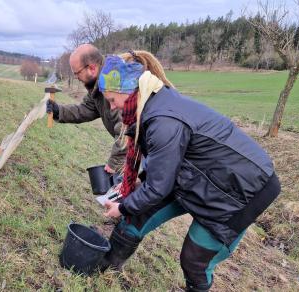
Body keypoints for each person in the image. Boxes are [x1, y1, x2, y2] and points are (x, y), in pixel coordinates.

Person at [98, 51, 281, 292]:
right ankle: (105, 267)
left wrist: (121, 206)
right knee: (137, 213)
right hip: (196, 177)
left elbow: (159, 187)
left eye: (112, 100)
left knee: (194, 260)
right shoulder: (151, 105)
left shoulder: (163, 120)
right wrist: (129, 200)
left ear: (128, 90)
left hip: (242, 189)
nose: (113, 107)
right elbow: (161, 169)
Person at [46, 44, 125, 174]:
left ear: (92, 68)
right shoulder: (98, 82)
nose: (76, 77)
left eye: (77, 73)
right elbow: (87, 108)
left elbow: (125, 129)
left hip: (153, 144)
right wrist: (59, 111)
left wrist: (114, 164)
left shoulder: (114, 82)